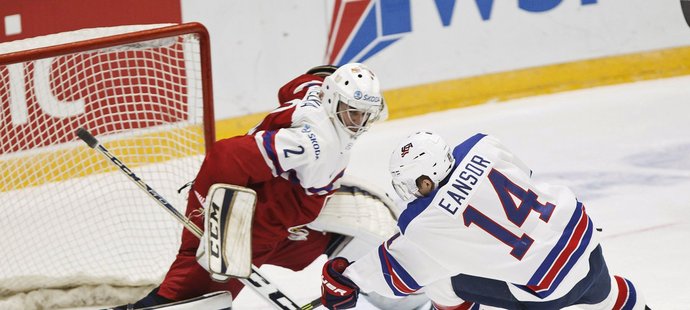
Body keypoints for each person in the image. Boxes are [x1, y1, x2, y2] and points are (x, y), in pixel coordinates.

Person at [116, 63, 386, 308]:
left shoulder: (315, 92)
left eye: (365, 115)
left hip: (280, 221)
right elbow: (227, 156)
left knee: (304, 252)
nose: (359, 123)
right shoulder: (314, 143)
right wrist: (220, 223)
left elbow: (297, 86)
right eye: (353, 113)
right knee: (192, 294)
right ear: (332, 98)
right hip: (254, 224)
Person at [320, 131, 651, 310]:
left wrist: (346, 279)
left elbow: (398, 274)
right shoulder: (485, 146)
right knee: (606, 295)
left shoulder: (425, 223)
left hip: (545, 290)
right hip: (583, 242)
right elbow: (525, 175)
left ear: (424, 181)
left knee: (441, 278)